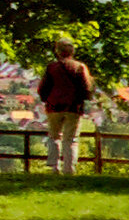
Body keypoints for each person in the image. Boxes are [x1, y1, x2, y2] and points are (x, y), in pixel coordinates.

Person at [39, 39, 94, 173]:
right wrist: (82, 99)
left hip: (53, 107)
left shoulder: (51, 67)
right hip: (72, 107)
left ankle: (54, 168)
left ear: (57, 52)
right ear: (72, 51)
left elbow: (42, 88)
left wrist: (47, 100)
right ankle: (69, 169)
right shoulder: (79, 67)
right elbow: (87, 88)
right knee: (70, 139)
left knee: (54, 136)